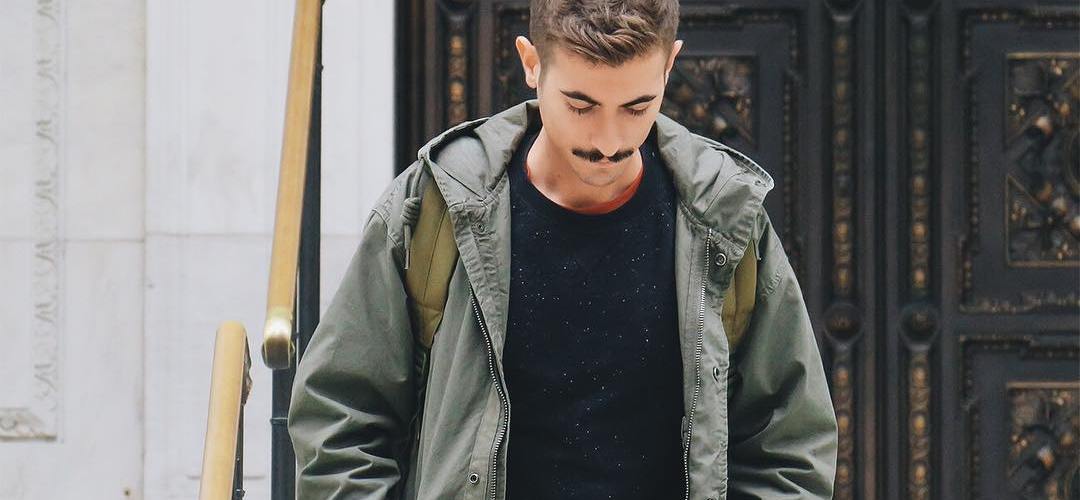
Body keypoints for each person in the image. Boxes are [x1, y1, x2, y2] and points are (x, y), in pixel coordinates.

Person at [287, 0, 838, 498]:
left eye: (636, 107)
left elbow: (790, 447)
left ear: (670, 66)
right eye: (580, 105)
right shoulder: (438, 205)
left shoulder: (724, 215)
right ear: (531, 64)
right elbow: (341, 419)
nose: (608, 141)